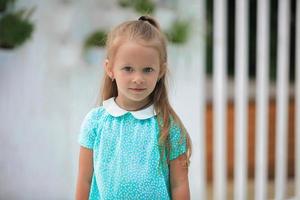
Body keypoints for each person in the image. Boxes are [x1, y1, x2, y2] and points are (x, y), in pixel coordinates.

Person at [75, 15, 192, 200]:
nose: (138, 78)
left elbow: (179, 185)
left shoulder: (168, 127)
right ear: (110, 69)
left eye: (147, 69)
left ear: (160, 71)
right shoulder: (95, 123)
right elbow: (84, 181)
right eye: (128, 68)